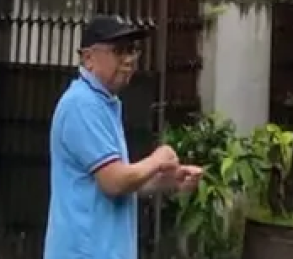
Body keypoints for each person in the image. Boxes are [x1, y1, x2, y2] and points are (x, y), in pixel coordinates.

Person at [44, 15, 203, 259]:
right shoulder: (82, 105)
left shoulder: (104, 103)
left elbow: (120, 184)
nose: (129, 59)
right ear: (88, 58)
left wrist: (168, 181)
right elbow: (114, 182)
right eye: (118, 50)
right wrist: (158, 159)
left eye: (132, 50)